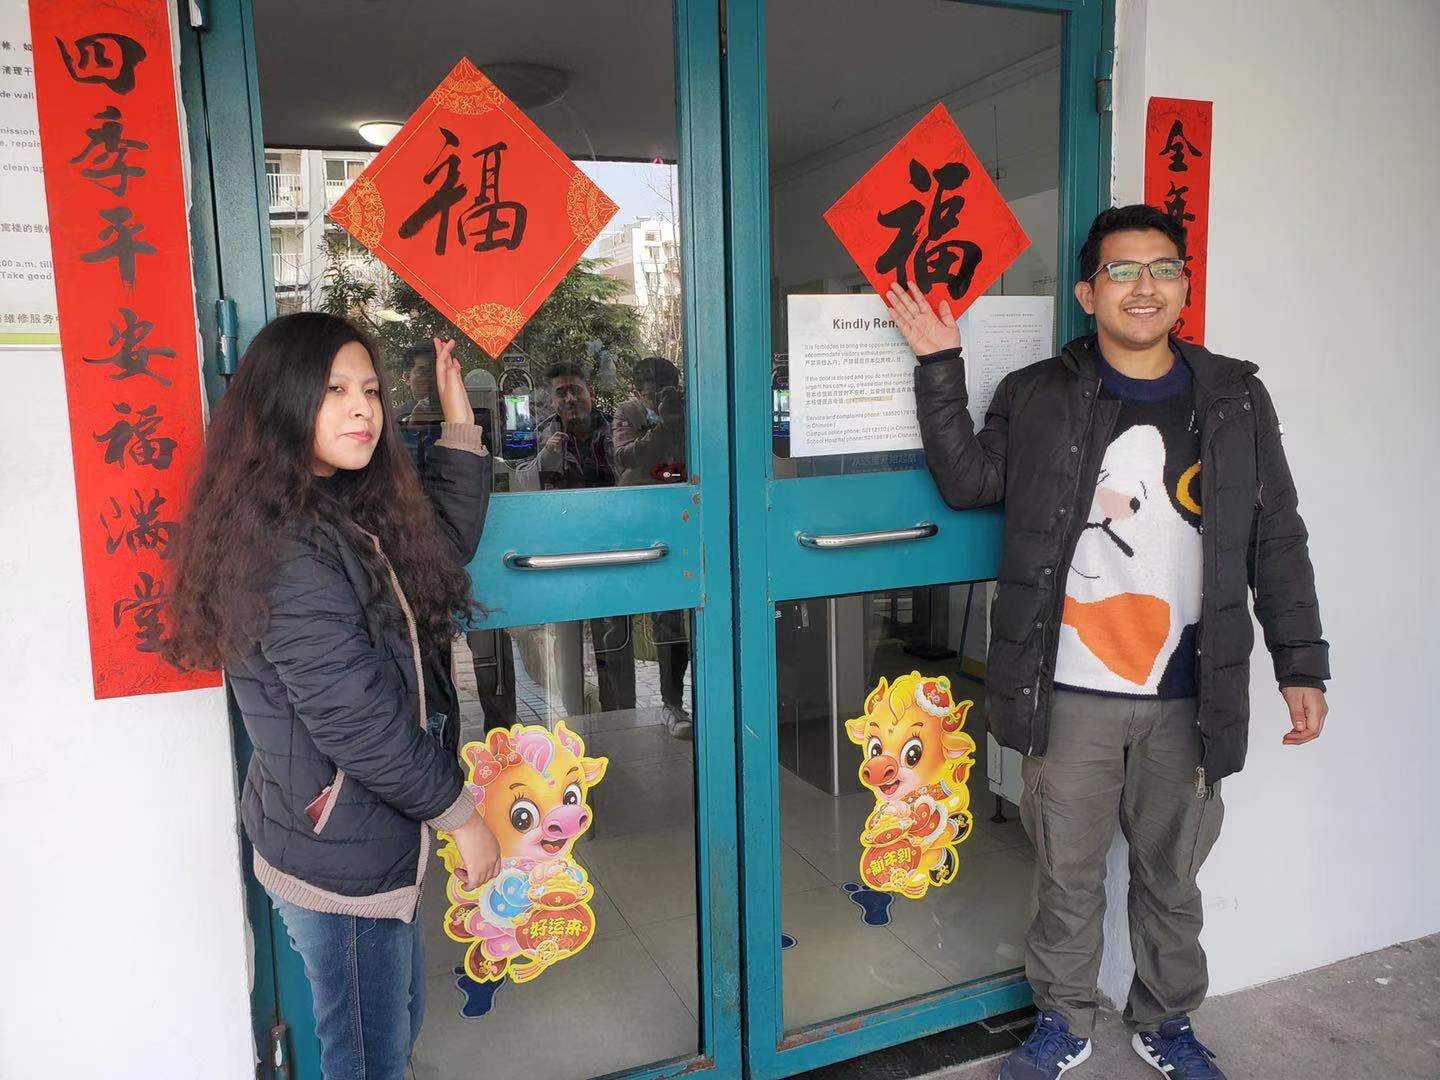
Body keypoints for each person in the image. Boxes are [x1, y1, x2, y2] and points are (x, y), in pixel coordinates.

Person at [890, 204, 1330, 1080]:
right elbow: (971, 482)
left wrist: (1301, 663)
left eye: (1162, 269)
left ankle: (1167, 1021)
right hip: (1070, 688)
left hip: (1189, 689)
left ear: (1185, 288)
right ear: (1089, 293)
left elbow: (1276, 535)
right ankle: (1064, 1020)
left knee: (1173, 875)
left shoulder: (1236, 397)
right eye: (1122, 271)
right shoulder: (1037, 393)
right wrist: (940, 365)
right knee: (1068, 873)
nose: (1144, 287)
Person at [163, 313, 502, 1079]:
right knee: (370, 1057)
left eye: (371, 391)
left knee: (394, 1027)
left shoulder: (337, 504)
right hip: (339, 854)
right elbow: (358, 722)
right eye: (335, 391)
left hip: (357, 833)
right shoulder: (287, 546)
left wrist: (457, 415)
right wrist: (462, 818)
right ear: (282, 405)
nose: (362, 409)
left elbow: (440, 546)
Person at [516, 360, 636, 716]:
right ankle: (575, 720)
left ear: (590, 394)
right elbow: (520, 483)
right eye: (561, 393)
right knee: (566, 641)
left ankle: (621, 715)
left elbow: (634, 476)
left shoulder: (614, 430)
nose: (570, 399)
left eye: (576, 391)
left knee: (615, 638)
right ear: (553, 400)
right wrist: (547, 456)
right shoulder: (541, 434)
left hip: (611, 549)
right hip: (563, 553)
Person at [613, 355, 692, 738]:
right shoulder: (628, 413)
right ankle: (670, 703)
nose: (655, 393)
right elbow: (625, 456)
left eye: (663, 386)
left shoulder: (690, 408)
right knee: (666, 617)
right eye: (649, 387)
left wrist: (679, 419)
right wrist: (663, 427)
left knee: (695, 614)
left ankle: (699, 699)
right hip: (645, 521)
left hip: (687, 515)